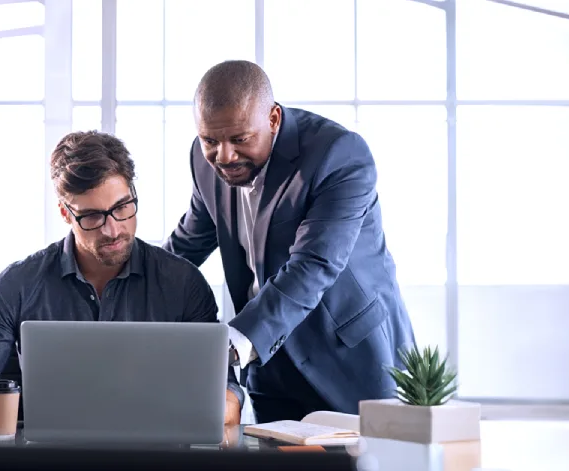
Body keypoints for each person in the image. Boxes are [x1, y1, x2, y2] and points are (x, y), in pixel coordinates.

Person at [0, 130, 244, 440]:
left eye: (123, 207)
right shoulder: (19, 283)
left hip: (154, 459)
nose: (114, 229)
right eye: (93, 217)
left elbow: (227, 393)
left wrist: (222, 402)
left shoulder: (183, 283)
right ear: (66, 212)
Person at [164, 60, 416, 423]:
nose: (224, 156)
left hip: (351, 359)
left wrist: (233, 344)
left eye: (240, 139)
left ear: (273, 119)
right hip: (270, 365)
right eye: (210, 141)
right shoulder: (204, 161)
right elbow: (187, 246)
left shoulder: (339, 154)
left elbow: (314, 264)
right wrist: (127, 290)